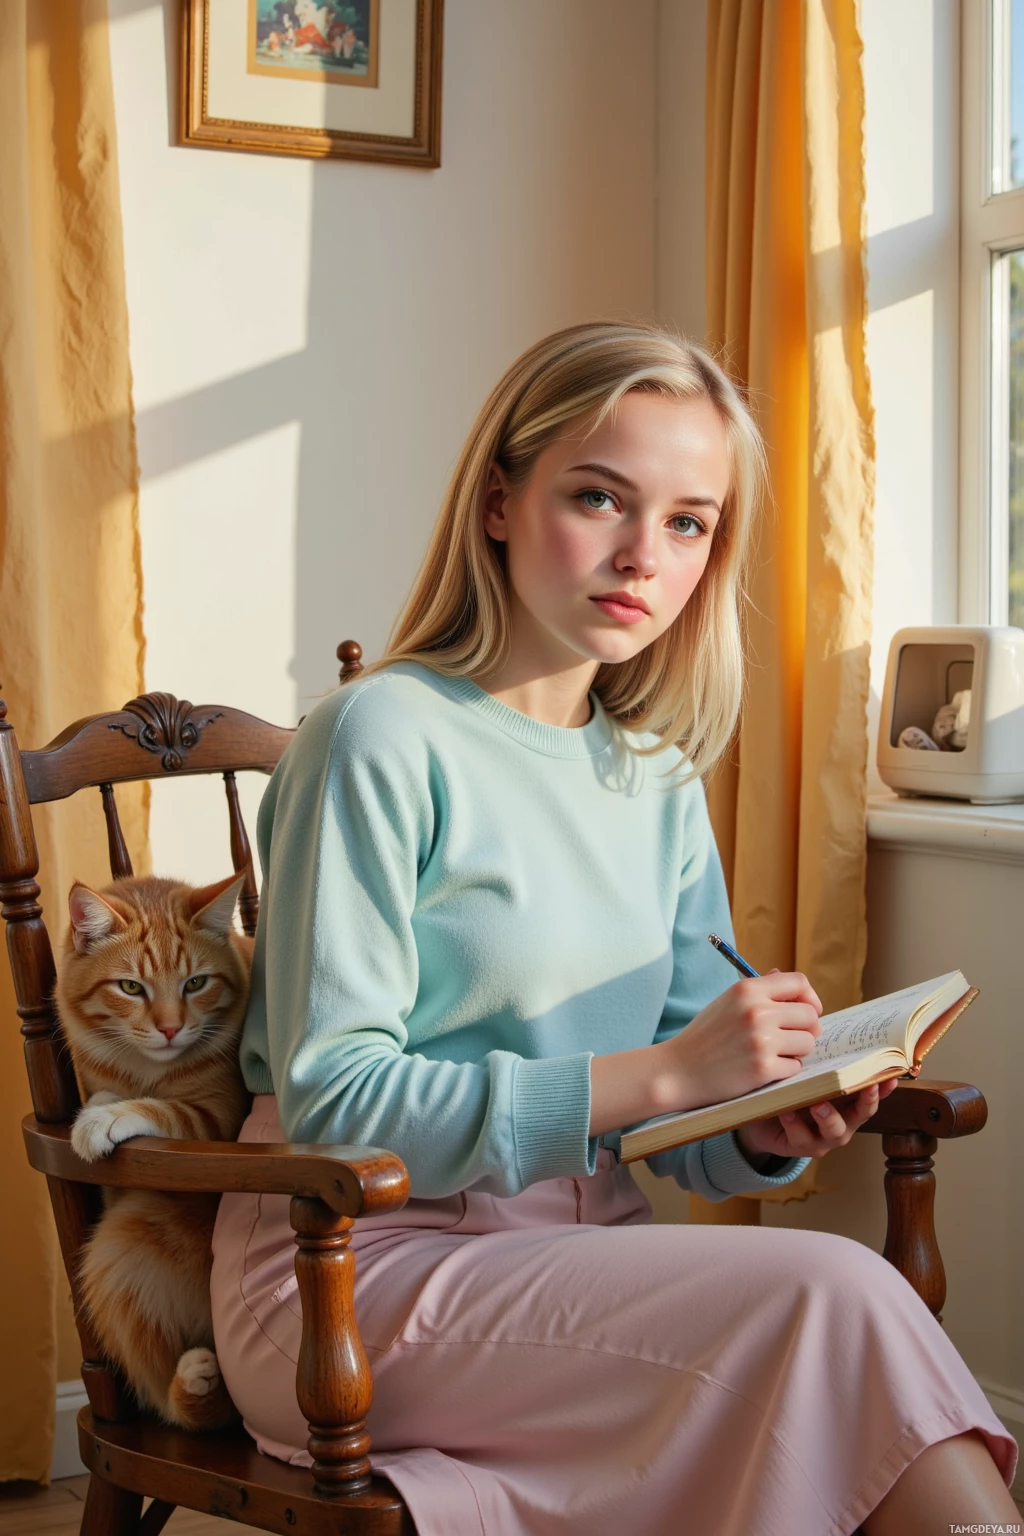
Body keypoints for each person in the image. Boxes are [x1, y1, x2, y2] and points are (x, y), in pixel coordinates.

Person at [210, 322, 1018, 1535]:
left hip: (581, 1269)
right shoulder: (377, 736)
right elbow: (337, 1104)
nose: (645, 554)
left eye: (689, 521)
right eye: (600, 498)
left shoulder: (653, 774)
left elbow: (684, 1126)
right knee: (834, 1299)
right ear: (497, 502)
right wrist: (661, 1072)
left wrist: (761, 1125)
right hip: (351, 1271)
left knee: (829, 1319)